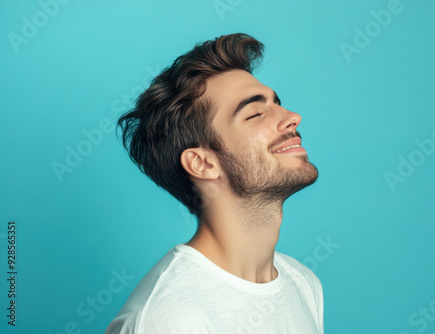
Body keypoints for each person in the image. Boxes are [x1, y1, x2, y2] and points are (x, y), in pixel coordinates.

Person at [105, 33, 323, 333]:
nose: (292, 117)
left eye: (277, 103)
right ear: (203, 163)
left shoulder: (302, 282)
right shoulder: (170, 319)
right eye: (256, 113)